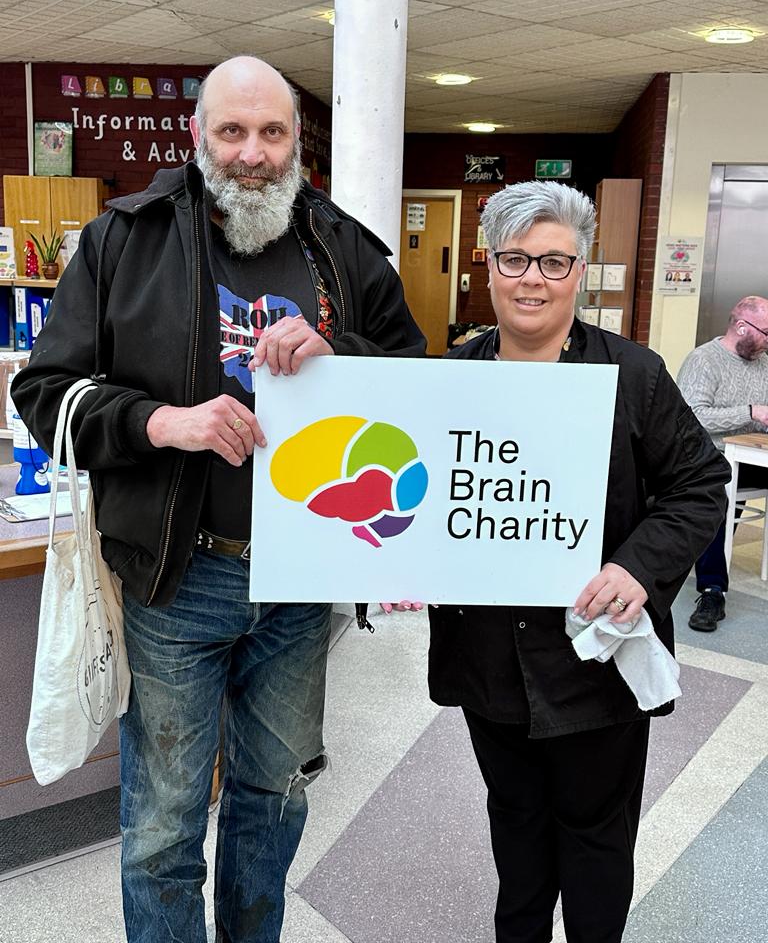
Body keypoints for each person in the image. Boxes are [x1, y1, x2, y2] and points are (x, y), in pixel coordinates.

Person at [12, 55, 425, 943]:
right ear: (198, 137)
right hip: (176, 579)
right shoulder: (127, 238)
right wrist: (165, 423)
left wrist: (337, 347)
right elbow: (43, 394)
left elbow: (415, 374)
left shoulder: (342, 246)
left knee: (271, 809)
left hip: (300, 585)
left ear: (297, 144)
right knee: (163, 826)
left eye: (271, 133)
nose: (251, 153)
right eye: (231, 132)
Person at [427, 181, 729, 943]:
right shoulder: (446, 383)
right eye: (516, 259)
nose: (534, 278)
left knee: (596, 848)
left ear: (581, 271)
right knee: (518, 841)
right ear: (487, 268)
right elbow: (424, 502)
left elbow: (699, 483)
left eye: (555, 262)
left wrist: (637, 566)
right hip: (490, 664)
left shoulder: (636, 375)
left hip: (598, 664)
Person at [677, 296, 768, 631]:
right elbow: (691, 418)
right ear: (742, 326)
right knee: (717, 496)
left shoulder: (764, 365)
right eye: (766, 333)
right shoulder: (704, 361)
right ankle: (712, 591)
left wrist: (761, 417)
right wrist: (750, 412)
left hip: (749, 455)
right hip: (706, 458)